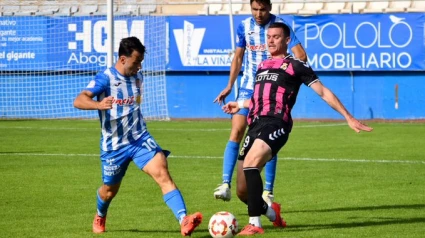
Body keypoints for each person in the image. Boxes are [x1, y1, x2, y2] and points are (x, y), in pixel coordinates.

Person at [221, 22, 373, 235]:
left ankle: (255, 224)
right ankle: (272, 214)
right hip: (254, 124)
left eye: (276, 37)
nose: (271, 40)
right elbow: (258, 99)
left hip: (277, 123)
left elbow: (324, 92)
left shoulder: (296, 65)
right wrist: (241, 104)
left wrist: (348, 117)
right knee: (242, 191)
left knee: (251, 164)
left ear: (287, 40)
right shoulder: (262, 66)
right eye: (269, 37)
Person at [73, 36, 202, 236]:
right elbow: (79, 100)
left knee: (162, 173)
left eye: (141, 62)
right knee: (109, 191)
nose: (139, 66)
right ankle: (100, 214)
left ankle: (183, 219)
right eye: (136, 62)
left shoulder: (137, 78)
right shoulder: (105, 78)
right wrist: (98, 105)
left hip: (139, 138)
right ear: (123, 59)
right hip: (114, 145)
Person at [213, 0, 307, 204]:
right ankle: (225, 184)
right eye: (255, 9)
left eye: (262, 9)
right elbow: (238, 57)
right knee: (236, 131)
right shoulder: (244, 26)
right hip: (248, 86)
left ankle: (268, 191)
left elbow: (302, 56)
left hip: (271, 90)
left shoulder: (280, 26)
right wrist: (230, 85)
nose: (258, 13)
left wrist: (286, 73)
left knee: (267, 138)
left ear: (270, 8)